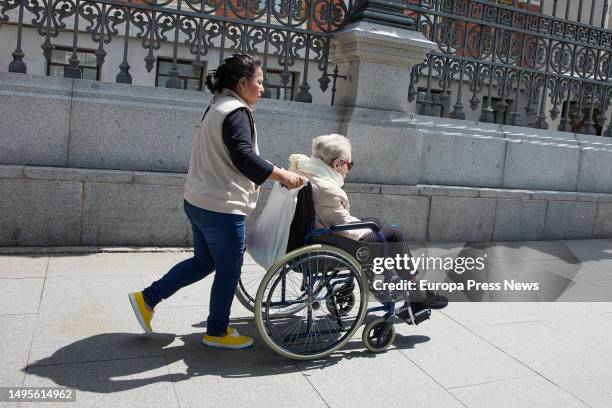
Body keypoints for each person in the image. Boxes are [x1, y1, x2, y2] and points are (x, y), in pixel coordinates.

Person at [129, 53, 304, 349]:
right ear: (242, 83)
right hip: (222, 208)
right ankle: (217, 331)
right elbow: (244, 158)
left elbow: (235, 155)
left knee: (204, 261)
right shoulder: (236, 111)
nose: (263, 89)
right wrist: (283, 175)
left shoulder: (218, 106)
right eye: (259, 82)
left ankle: (147, 299)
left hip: (199, 201)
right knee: (228, 270)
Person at [288, 134, 447, 311]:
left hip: (310, 235)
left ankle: (373, 279)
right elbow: (347, 230)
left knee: (374, 222)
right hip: (325, 242)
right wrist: (371, 230)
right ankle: (417, 291)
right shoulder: (327, 190)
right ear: (337, 164)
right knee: (394, 233)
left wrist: (371, 227)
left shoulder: (304, 172)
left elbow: (336, 218)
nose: (348, 169)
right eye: (349, 164)